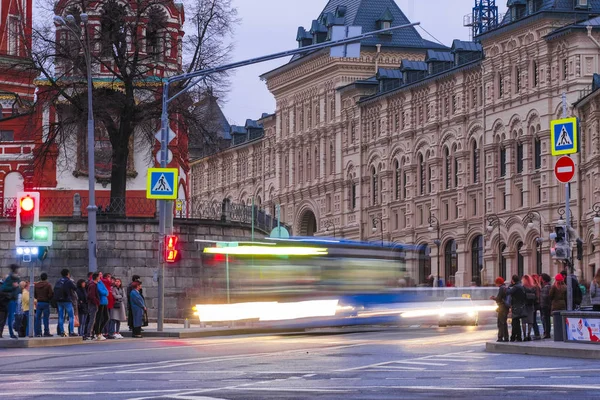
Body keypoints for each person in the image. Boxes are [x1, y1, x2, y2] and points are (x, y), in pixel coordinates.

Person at [54, 269, 78, 337]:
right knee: (71, 316)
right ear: (68, 274)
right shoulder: (68, 281)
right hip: (67, 300)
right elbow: (75, 288)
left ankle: (62, 332)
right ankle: (71, 331)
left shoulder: (58, 281)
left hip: (59, 301)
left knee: (61, 317)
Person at [1, 265, 21, 339]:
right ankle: (11, 333)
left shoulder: (16, 278)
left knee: (11, 317)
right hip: (10, 300)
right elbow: (3, 288)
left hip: (14, 299)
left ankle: (11, 333)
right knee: (10, 317)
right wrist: (13, 287)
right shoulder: (10, 278)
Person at [508, 275, 526, 342]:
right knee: (516, 322)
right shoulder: (521, 286)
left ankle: (514, 337)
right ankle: (518, 337)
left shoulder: (515, 287)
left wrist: (510, 285)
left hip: (516, 306)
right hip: (520, 305)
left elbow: (508, 292)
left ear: (513, 280)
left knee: (515, 323)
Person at [490, 277, 509, 342]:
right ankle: (505, 337)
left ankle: (501, 337)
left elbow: (499, 298)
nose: (495, 284)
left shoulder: (501, 288)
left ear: (498, 283)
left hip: (502, 307)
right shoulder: (505, 287)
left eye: (496, 283)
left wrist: (493, 298)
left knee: (501, 323)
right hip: (505, 307)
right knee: (504, 322)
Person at [34, 272, 54, 337]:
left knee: (38, 318)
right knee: (45, 318)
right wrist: (47, 298)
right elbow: (51, 294)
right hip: (46, 302)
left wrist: (38, 297)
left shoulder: (36, 285)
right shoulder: (48, 285)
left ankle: (38, 332)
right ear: (46, 278)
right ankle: (46, 332)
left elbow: (34, 294)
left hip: (39, 303)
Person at [93, 272, 109, 341]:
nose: (100, 277)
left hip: (104, 301)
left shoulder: (100, 282)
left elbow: (106, 291)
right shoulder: (95, 284)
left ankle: (99, 331)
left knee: (106, 317)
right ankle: (97, 332)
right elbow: (101, 292)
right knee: (98, 318)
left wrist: (105, 292)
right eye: (99, 275)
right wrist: (105, 292)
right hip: (100, 302)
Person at [85, 273, 100, 340]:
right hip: (93, 304)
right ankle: (89, 334)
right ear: (96, 278)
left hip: (92, 303)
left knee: (92, 319)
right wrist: (97, 301)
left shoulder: (92, 284)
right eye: (99, 277)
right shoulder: (93, 285)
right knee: (92, 319)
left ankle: (90, 333)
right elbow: (91, 295)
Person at [540, 273, 552, 339]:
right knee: (546, 320)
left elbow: (545, 297)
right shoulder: (547, 286)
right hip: (545, 305)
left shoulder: (546, 287)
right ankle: (546, 332)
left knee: (546, 320)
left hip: (545, 306)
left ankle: (547, 333)